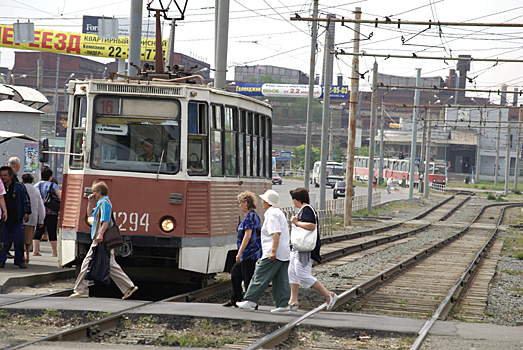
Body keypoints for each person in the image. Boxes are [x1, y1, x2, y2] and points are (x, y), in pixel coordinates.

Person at [70, 181, 138, 299]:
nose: (93, 194)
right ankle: (128, 287)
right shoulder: (101, 203)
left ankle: (82, 290)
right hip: (99, 238)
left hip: (101, 239)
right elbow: (90, 214)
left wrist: (100, 234)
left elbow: (106, 221)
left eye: (94, 192)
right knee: (110, 264)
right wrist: (90, 202)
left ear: (99, 192)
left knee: (88, 264)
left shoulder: (105, 203)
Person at [237, 189, 291, 313]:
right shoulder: (279, 212)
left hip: (273, 253)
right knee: (280, 280)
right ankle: (283, 305)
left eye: (264, 200)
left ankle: (250, 300)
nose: (262, 202)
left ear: (267, 202)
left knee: (260, 275)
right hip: (283, 253)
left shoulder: (271, 214)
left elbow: (275, 233)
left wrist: (272, 251)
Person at [287, 188, 338, 311]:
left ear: (298, 199)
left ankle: (329, 295)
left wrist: (296, 222)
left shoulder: (307, 209)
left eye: (293, 199)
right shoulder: (303, 210)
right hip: (297, 248)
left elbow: (311, 225)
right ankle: (293, 300)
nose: (293, 202)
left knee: (302, 274)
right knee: (292, 272)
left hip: (305, 249)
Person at [223, 191, 262, 308]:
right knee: (236, 274)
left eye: (240, 203)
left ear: (246, 203)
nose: (239, 205)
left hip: (248, 253)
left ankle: (252, 301)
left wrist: (239, 253)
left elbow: (247, 236)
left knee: (247, 277)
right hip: (249, 253)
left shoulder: (250, 217)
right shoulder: (252, 216)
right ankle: (236, 298)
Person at [0, 166, 31, 269]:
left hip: (17, 218)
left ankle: (19, 260)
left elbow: (25, 199)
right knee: (3, 241)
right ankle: (1, 261)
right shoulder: (1, 187)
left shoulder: (18, 187)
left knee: (18, 241)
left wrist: (27, 212)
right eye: (1, 175)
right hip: (4, 220)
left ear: (11, 176)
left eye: (5, 175)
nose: (3, 178)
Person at [33, 168, 61, 257]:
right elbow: (60, 197)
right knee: (52, 230)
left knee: (38, 230)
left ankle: (35, 250)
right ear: (50, 176)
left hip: (39, 211)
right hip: (51, 211)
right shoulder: (53, 185)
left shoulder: (37, 185)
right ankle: (54, 251)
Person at [21, 174, 45, 264]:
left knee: (20, 238)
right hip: (32, 217)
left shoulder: (20, 188)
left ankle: (21, 255)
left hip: (20, 217)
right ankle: (27, 255)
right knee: (28, 239)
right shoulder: (36, 190)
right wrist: (41, 219)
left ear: (22, 180)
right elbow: (40, 206)